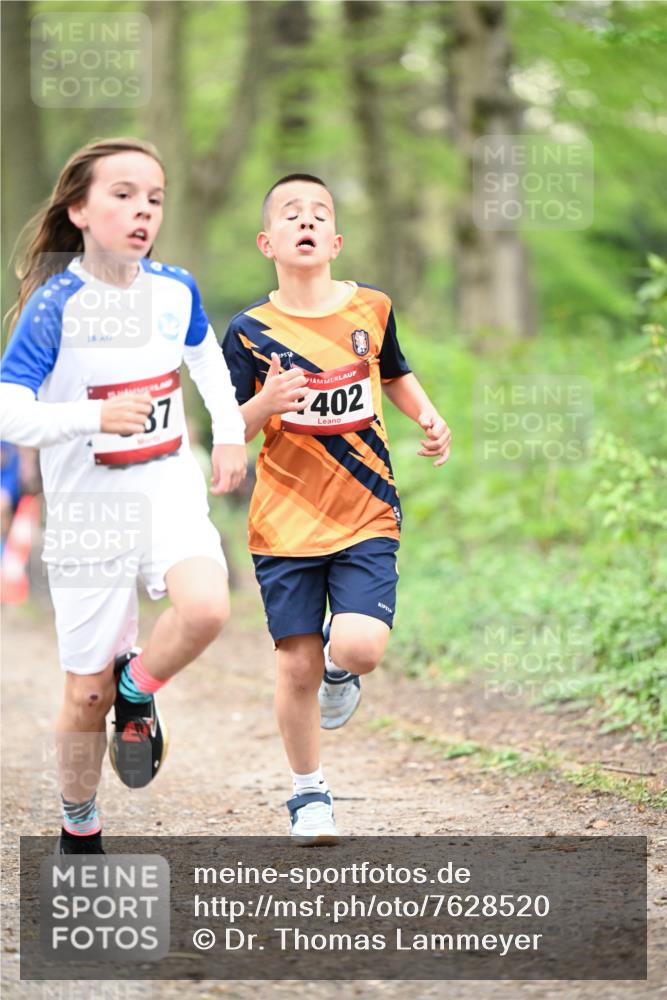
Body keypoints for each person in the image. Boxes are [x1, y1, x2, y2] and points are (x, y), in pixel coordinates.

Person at [0, 137, 247, 854]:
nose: (143, 210)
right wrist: (88, 417)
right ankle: (80, 823)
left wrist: (229, 433)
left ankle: (138, 687)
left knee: (205, 608)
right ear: (78, 209)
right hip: (88, 512)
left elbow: (205, 357)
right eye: (123, 195)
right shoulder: (56, 306)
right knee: (84, 695)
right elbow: (8, 409)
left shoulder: (175, 288)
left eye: (154, 198)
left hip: (167, 487)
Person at [222, 173, 451, 845]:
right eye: (291, 213)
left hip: (364, 509)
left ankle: (340, 669)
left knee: (357, 644)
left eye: (318, 213)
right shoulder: (249, 330)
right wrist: (265, 405)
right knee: (293, 664)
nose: (306, 220)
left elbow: (394, 372)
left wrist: (427, 414)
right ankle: (307, 794)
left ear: (335, 240)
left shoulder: (371, 309)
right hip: (284, 519)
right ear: (269, 241)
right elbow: (227, 426)